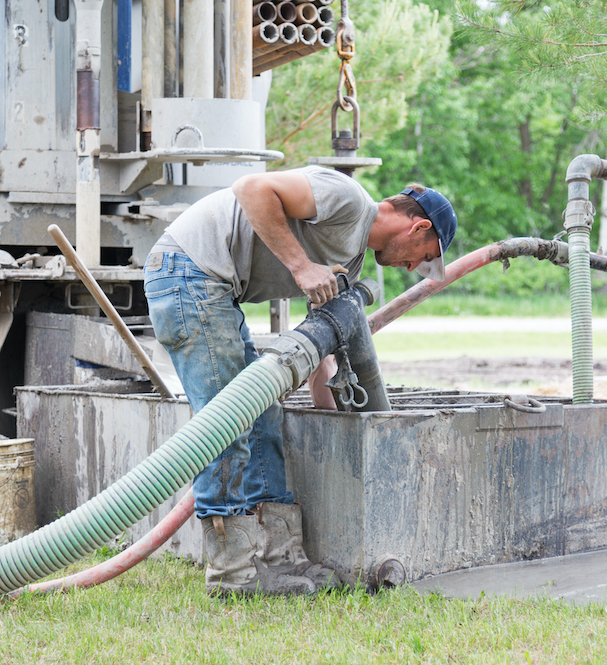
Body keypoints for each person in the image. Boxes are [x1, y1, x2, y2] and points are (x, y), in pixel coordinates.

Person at [142, 166, 457, 597]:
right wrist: (301, 265)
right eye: (424, 255)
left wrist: (332, 418)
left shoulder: (351, 260)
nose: (414, 266)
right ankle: (232, 575)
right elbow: (252, 188)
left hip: (215, 289)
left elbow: (320, 345)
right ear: (419, 226)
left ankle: (280, 560)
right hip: (188, 272)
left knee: (265, 415)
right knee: (225, 425)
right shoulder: (348, 198)